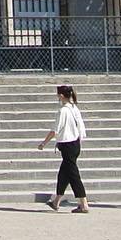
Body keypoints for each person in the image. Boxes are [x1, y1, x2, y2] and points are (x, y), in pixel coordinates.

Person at [37, 84, 89, 212]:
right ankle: (56, 201)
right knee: (64, 173)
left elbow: (55, 130)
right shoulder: (74, 108)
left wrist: (43, 143)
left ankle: (84, 203)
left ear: (61, 96)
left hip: (67, 145)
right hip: (75, 143)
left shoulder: (63, 111)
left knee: (73, 175)